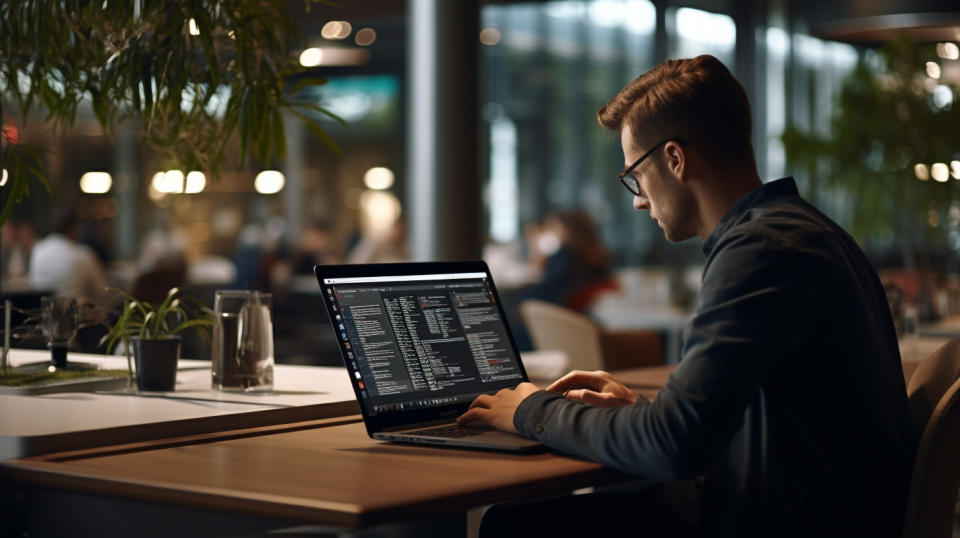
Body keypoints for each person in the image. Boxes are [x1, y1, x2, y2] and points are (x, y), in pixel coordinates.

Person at [458, 55, 917, 537]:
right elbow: (715, 424)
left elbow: (675, 445)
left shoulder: (761, 250)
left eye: (635, 175)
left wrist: (532, 411)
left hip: (780, 519)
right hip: (805, 505)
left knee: (512, 527)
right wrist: (640, 413)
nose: (637, 199)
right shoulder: (806, 231)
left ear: (675, 159)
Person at [29, 207, 109, 307]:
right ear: (72, 228)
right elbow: (103, 291)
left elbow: (33, 284)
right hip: (76, 318)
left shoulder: (38, 249)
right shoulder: (83, 255)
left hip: (43, 316)